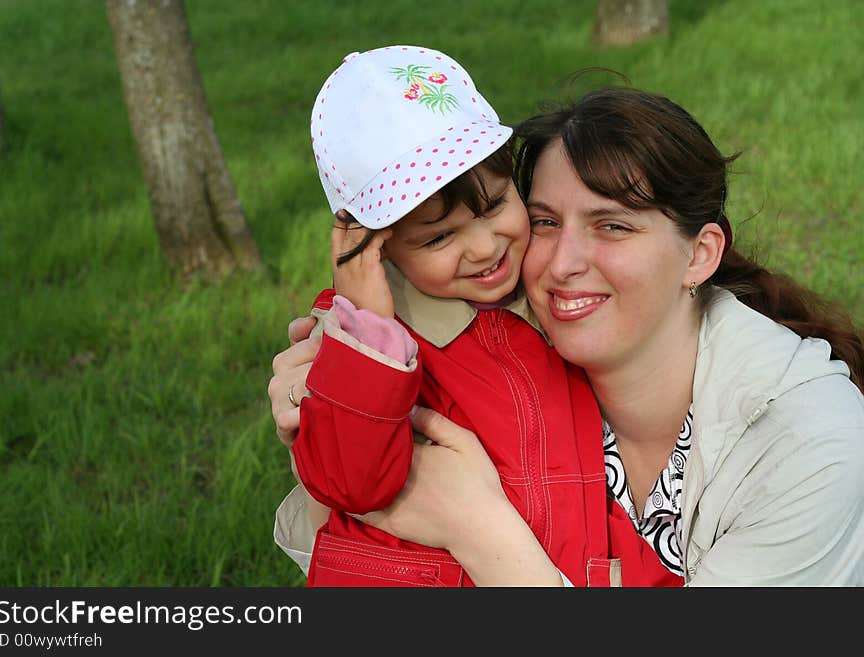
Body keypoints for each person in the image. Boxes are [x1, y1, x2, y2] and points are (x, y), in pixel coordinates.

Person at [271, 80, 864, 585]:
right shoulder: (491, 340)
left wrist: (477, 528)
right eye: (545, 222)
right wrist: (340, 378)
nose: (561, 265)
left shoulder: (811, 442)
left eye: (612, 226)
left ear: (699, 255)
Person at [281, 46, 680, 587]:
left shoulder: (552, 295)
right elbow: (349, 483)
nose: (484, 247)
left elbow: (587, 485)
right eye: (439, 237)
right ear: (378, 247)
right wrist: (368, 324)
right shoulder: (366, 339)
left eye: (493, 206)